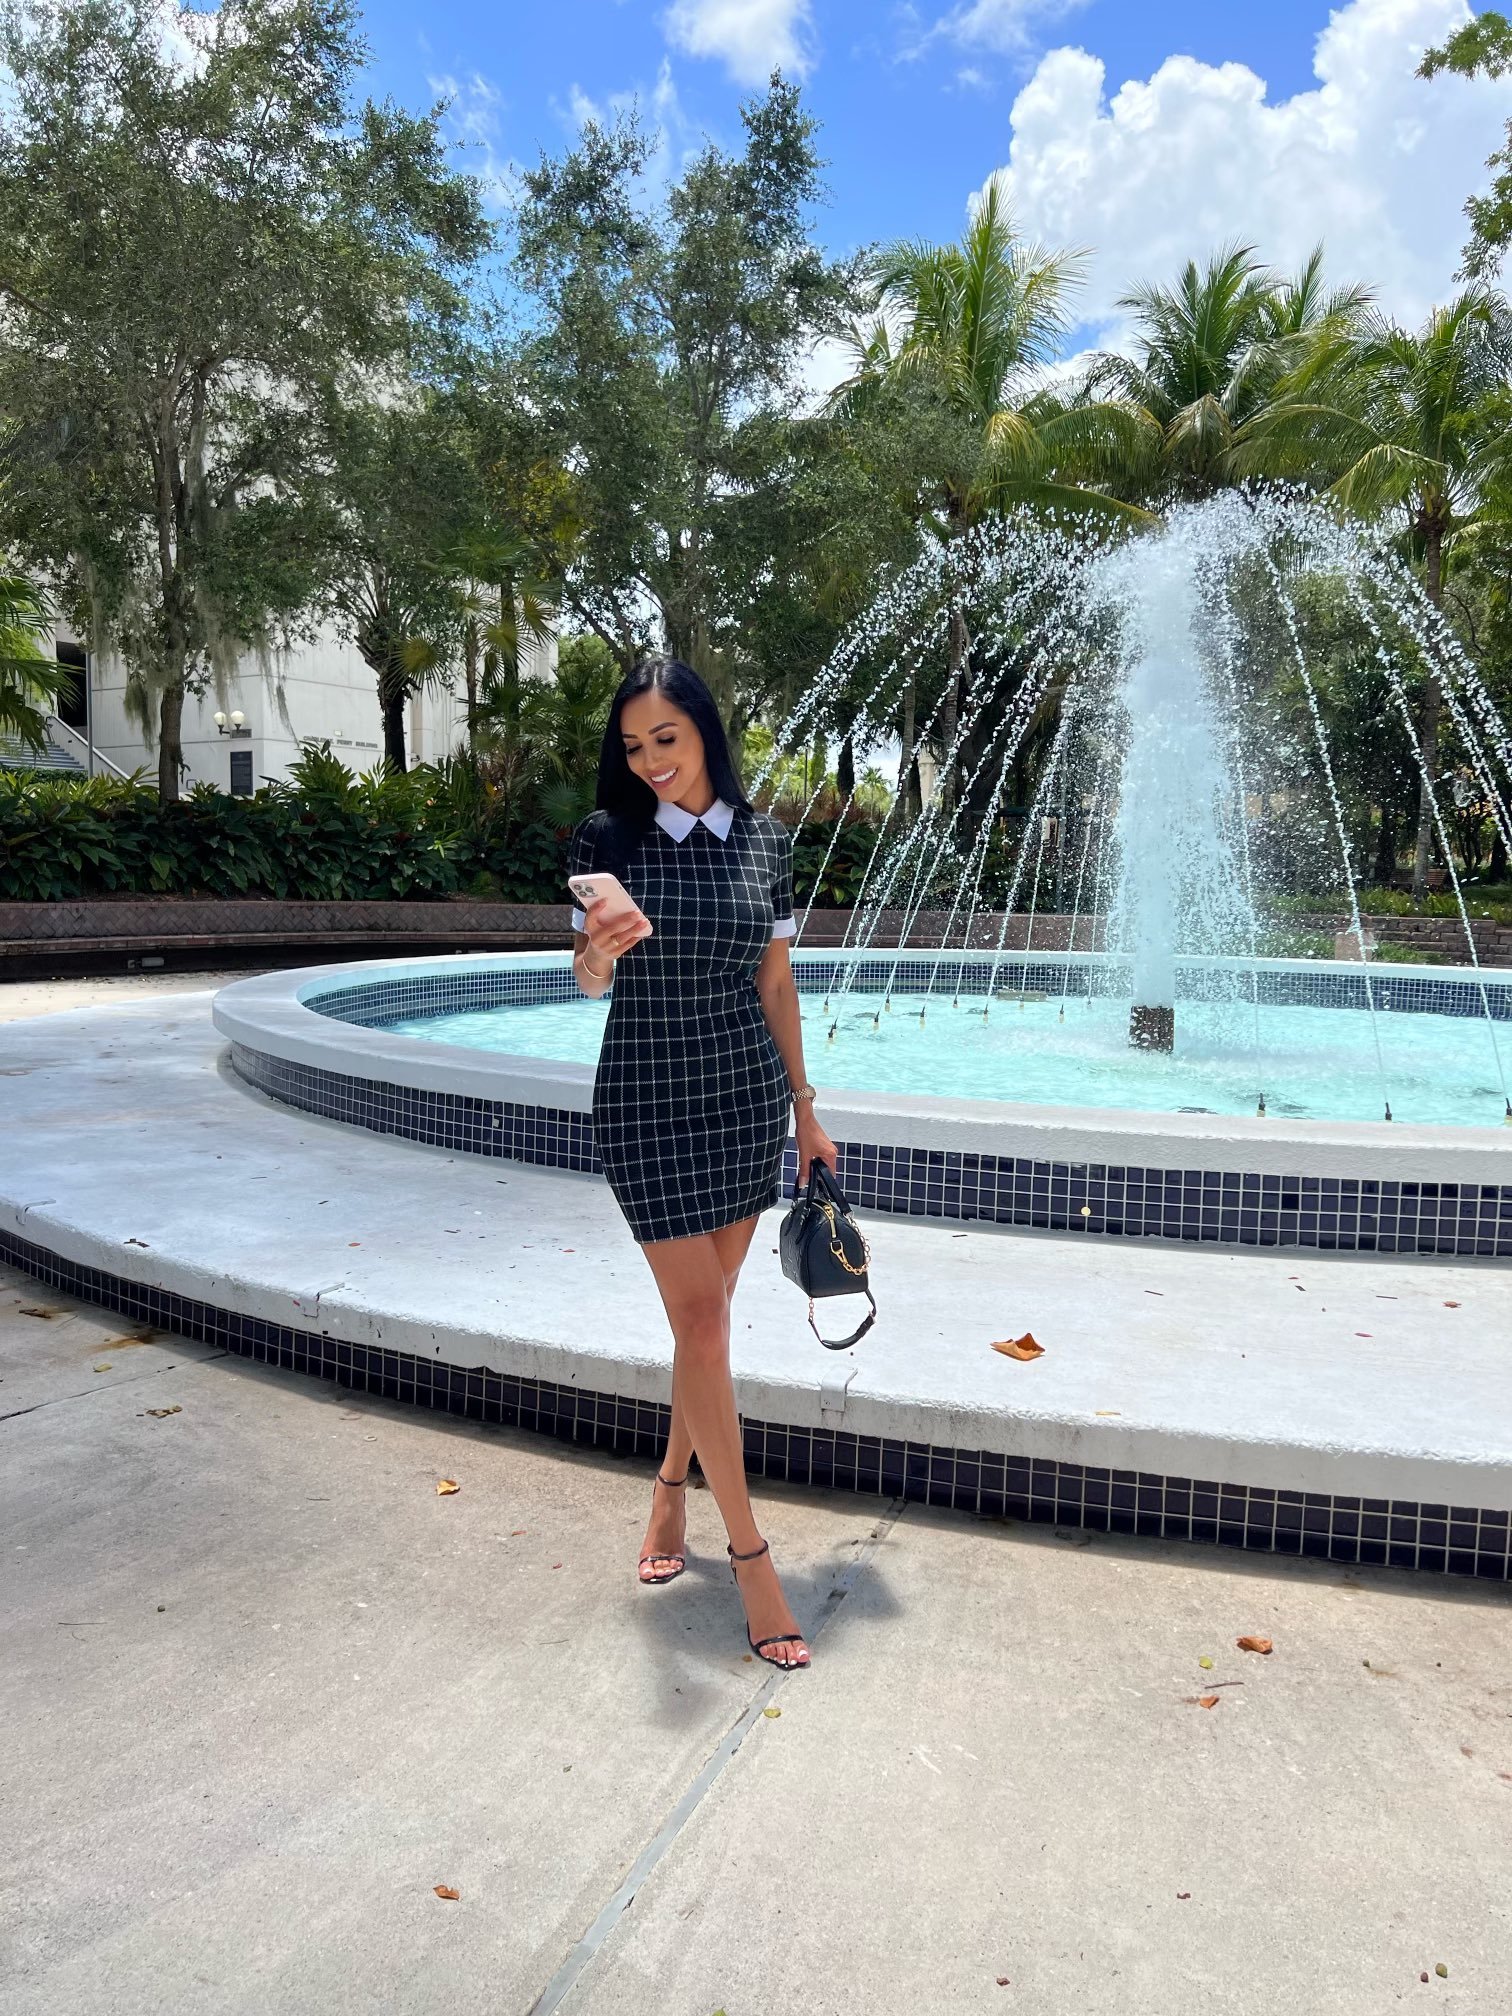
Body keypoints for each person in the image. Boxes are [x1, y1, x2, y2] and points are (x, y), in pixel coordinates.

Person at [569, 656, 836, 1671]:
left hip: (742, 1101)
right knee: (704, 1321)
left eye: (666, 740)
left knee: (706, 1323)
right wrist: (600, 952)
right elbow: (587, 982)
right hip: (645, 1102)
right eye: (634, 746)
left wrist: (805, 1111)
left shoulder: (766, 842)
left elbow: (777, 984)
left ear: (704, 733)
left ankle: (670, 1489)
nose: (650, 761)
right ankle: (753, 1558)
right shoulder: (608, 838)